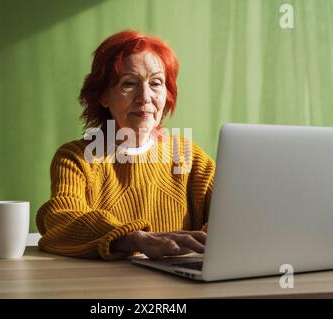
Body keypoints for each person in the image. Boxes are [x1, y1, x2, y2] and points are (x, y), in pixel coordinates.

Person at [36, 30, 216, 260]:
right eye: (129, 83)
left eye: (156, 83)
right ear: (103, 96)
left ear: (167, 93)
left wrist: (199, 244)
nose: (145, 97)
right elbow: (62, 219)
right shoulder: (76, 158)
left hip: (182, 285)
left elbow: (234, 212)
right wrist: (134, 238)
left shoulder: (189, 156)